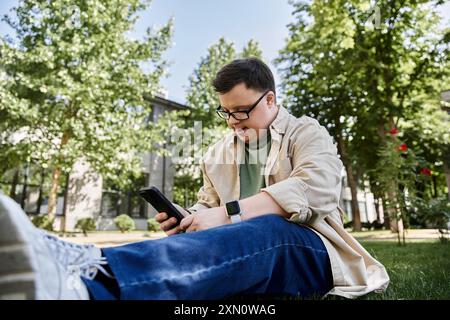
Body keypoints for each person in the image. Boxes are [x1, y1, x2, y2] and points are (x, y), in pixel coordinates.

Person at [0, 58, 389, 300]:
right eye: (226, 113)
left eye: (242, 111)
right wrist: (190, 218)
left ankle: (91, 282)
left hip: (310, 249)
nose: (234, 122)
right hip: (245, 248)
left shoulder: (307, 133)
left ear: (270, 100)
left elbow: (315, 191)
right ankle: (86, 264)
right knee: (217, 244)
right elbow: (208, 207)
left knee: (269, 228)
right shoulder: (217, 153)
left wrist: (226, 214)